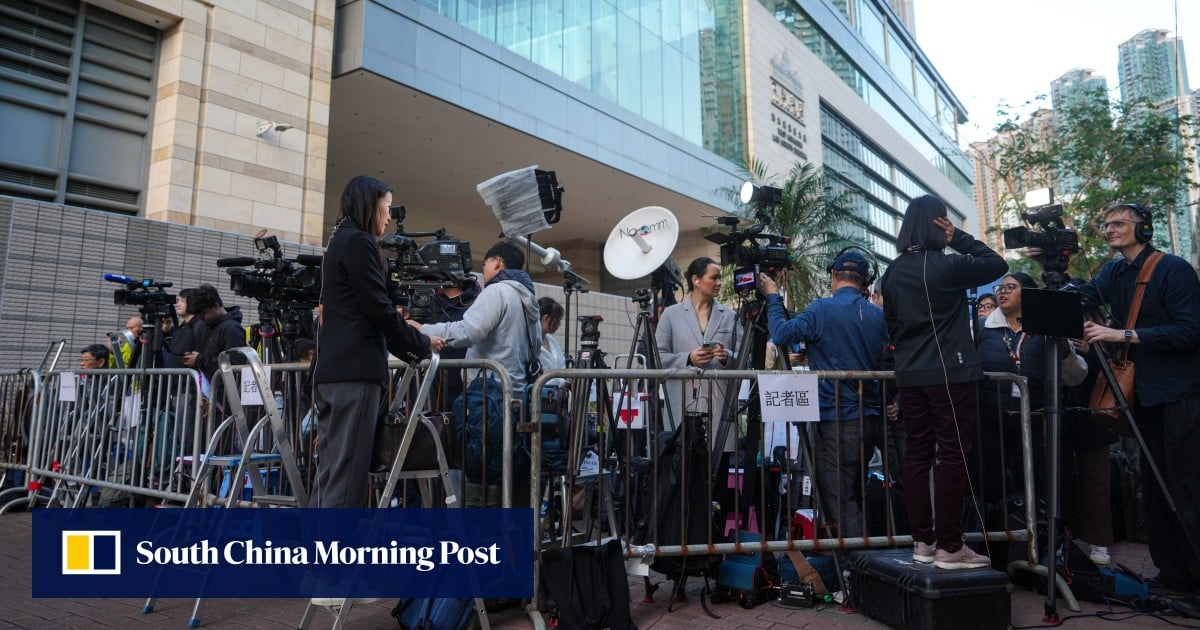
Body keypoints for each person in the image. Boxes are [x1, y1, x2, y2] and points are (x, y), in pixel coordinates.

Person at [1066, 202, 1200, 592]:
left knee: (1186, 486)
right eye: (1106, 224)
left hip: (1181, 393)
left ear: (1144, 229)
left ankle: (1196, 575)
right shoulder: (1113, 272)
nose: (1110, 229)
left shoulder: (1173, 269)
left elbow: (1190, 330)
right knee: (1155, 489)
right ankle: (1173, 574)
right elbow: (1081, 297)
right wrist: (1054, 267)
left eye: (1119, 223)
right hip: (1142, 396)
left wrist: (1121, 334)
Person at [879, 194, 1007, 570]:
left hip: (910, 375)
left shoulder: (891, 272)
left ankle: (923, 542)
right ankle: (950, 546)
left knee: (918, 453)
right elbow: (997, 264)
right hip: (949, 371)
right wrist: (958, 238)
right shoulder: (947, 265)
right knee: (951, 454)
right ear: (939, 224)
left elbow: (892, 325)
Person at [312, 175, 441, 511]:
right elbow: (378, 310)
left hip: (335, 373)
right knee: (345, 477)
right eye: (387, 208)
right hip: (354, 374)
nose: (389, 217)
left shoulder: (339, 240)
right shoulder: (359, 242)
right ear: (370, 205)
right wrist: (420, 344)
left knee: (331, 473)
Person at [760, 250, 888, 539]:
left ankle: (855, 562)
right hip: (868, 420)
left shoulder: (822, 309)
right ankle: (861, 556)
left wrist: (773, 297)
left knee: (840, 500)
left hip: (835, 422)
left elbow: (781, 334)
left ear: (833, 276)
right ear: (865, 280)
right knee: (855, 493)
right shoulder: (877, 315)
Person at [411, 240, 541, 508]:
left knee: (479, 469)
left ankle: (476, 527)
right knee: (504, 469)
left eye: (486, 264)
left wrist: (422, 330)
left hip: (487, 397)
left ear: (498, 263)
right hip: (514, 394)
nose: (483, 271)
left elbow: (468, 330)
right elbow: (536, 347)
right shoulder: (527, 297)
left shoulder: (497, 291)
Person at [974, 272, 1087, 538]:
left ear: (1028, 293)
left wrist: (1064, 351)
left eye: (1010, 287)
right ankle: (997, 541)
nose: (1002, 292)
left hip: (1033, 420)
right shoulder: (980, 328)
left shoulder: (1046, 328)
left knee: (1035, 480)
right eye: (1000, 288)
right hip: (990, 420)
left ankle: (1036, 540)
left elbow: (1075, 375)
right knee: (994, 483)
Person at [656, 257, 737, 453]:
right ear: (696, 280)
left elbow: (745, 358)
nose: (719, 283)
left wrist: (726, 356)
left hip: (720, 408)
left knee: (718, 467)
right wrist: (688, 358)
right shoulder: (671, 314)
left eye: (719, 278)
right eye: (714, 278)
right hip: (681, 406)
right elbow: (657, 357)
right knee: (682, 466)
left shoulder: (730, 316)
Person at [181, 284, 245, 384]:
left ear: (216, 306)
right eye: (198, 315)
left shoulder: (232, 328)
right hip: (208, 387)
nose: (201, 318)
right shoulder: (206, 325)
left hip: (223, 390)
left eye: (203, 314)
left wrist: (199, 360)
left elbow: (234, 364)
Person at [167, 288, 206, 369]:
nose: (177, 305)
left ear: (192, 303)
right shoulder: (182, 326)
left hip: (190, 375)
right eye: (178, 301)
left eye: (182, 301)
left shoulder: (200, 325)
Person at [538, 296, 566, 371]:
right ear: (546, 318)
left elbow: (562, 364)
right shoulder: (532, 342)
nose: (559, 324)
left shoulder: (551, 339)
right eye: (557, 320)